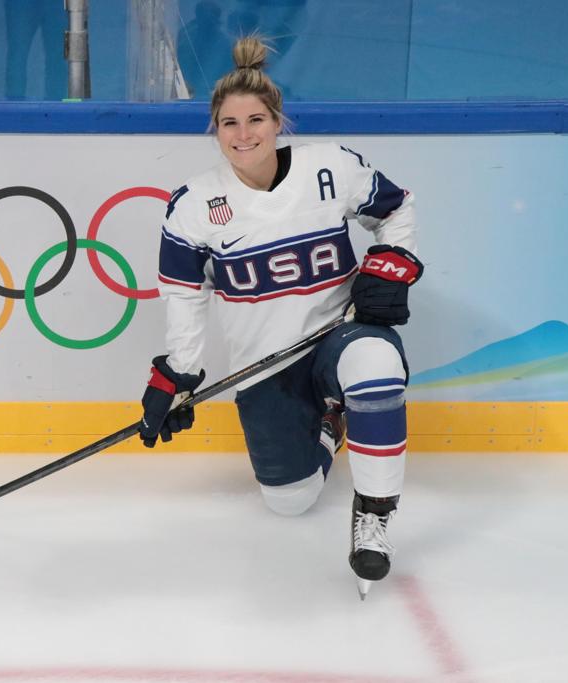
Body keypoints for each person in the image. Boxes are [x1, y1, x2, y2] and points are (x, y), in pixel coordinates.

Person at [138, 36, 422, 598]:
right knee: (290, 500)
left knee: (376, 365)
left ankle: (374, 518)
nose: (243, 134)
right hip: (266, 365)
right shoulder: (193, 205)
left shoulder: (330, 167)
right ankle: (330, 425)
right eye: (229, 123)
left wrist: (392, 262)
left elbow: (397, 209)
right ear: (215, 130)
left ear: (277, 121)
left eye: (256, 120)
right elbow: (185, 296)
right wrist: (178, 375)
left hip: (340, 335)